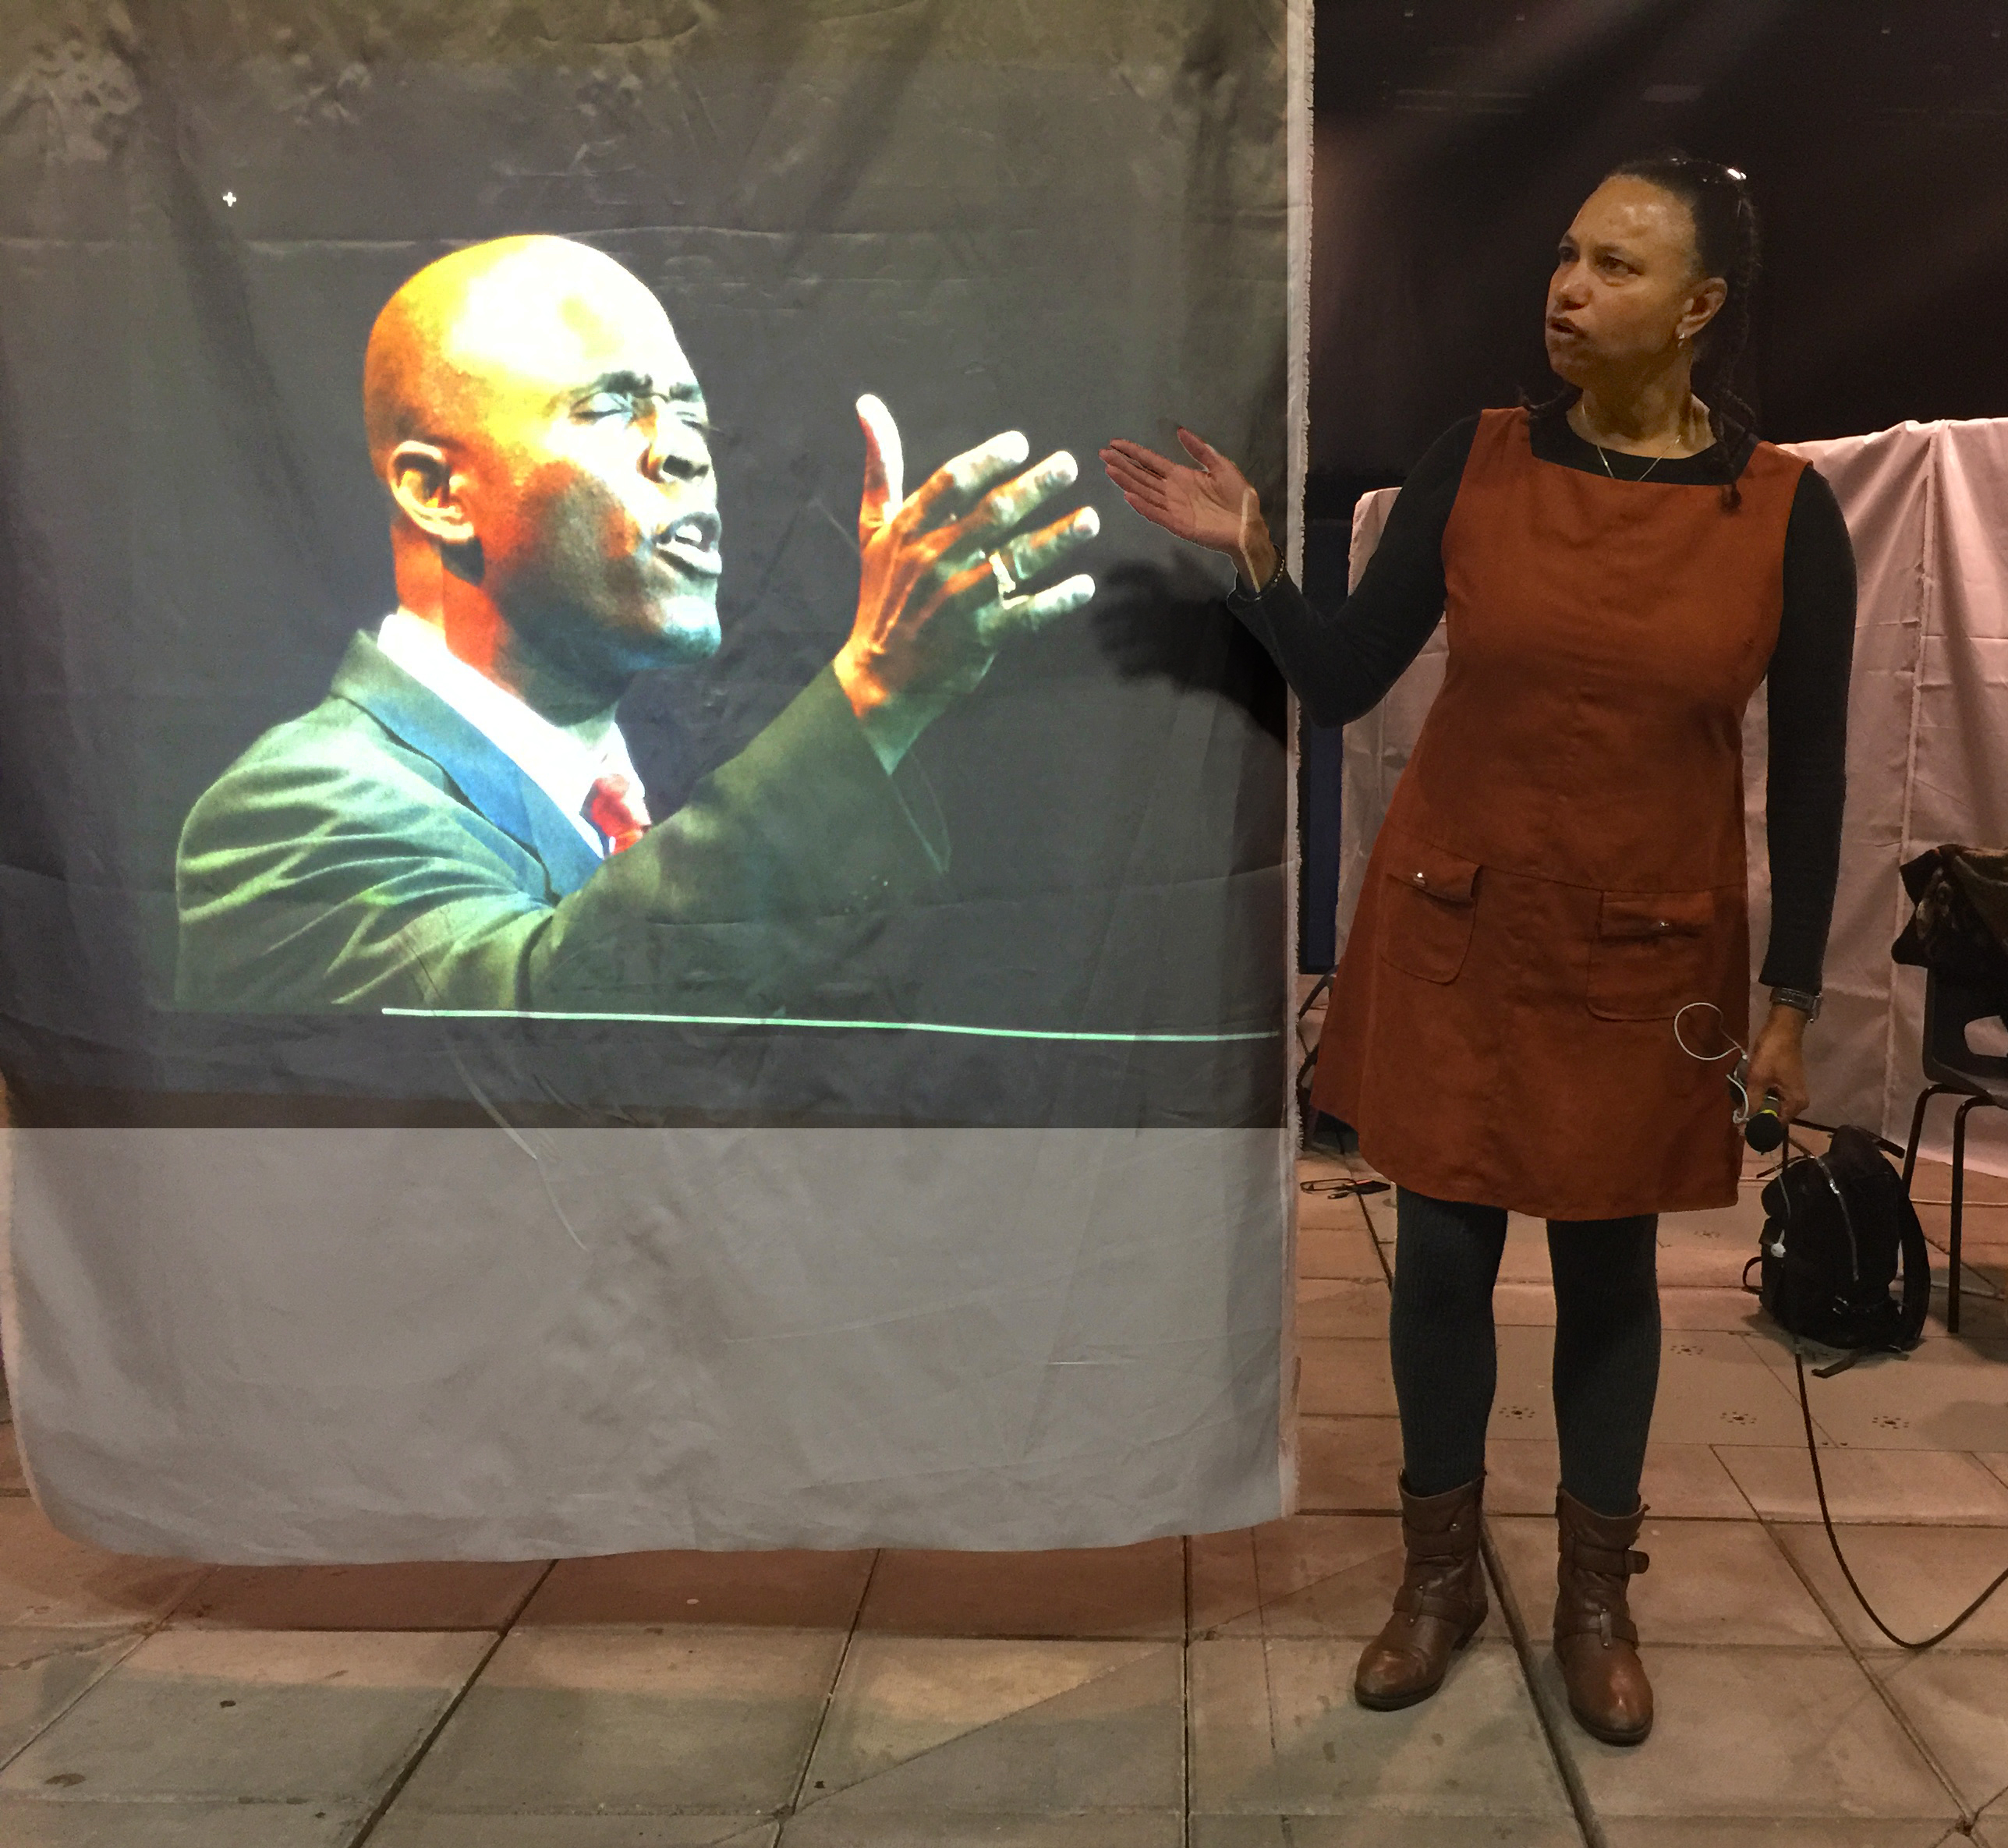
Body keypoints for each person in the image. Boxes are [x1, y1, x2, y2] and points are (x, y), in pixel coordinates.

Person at [1104, 155, 1854, 1745]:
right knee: (1440, 1258)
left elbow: (1819, 771)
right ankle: (1434, 1579)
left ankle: (1594, 1598)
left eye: (1617, 267)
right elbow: (1352, 673)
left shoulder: (1787, 512)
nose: (1566, 288)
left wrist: (1792, 1000)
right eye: (1565, 253)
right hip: (1458, 927)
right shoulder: (1478, 460)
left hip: (1647, 951)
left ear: (1701, 309)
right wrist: (1255, 555)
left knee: (1607, 1263)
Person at [176, 235, 1097, 1012]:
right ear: (435, 491)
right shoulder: (295, 815)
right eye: (613, 407)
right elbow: (544, 1037)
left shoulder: (637, 816)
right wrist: (874, 698)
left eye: (690, 414)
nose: (685, 451)